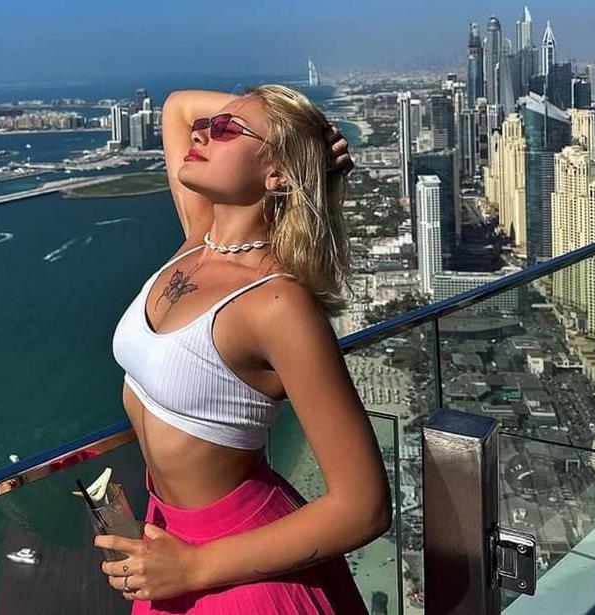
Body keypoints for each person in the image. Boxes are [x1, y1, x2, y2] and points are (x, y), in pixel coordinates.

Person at [101, 84, 391, 614]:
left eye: (226, 130)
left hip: (235, 570)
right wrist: (309, 132)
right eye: (211, 126)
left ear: (276, 174)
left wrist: (195, 567)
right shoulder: (198, 241)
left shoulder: (277, 304)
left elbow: (364, 506)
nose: (203, 132)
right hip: (167, 542)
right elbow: (178, 107)